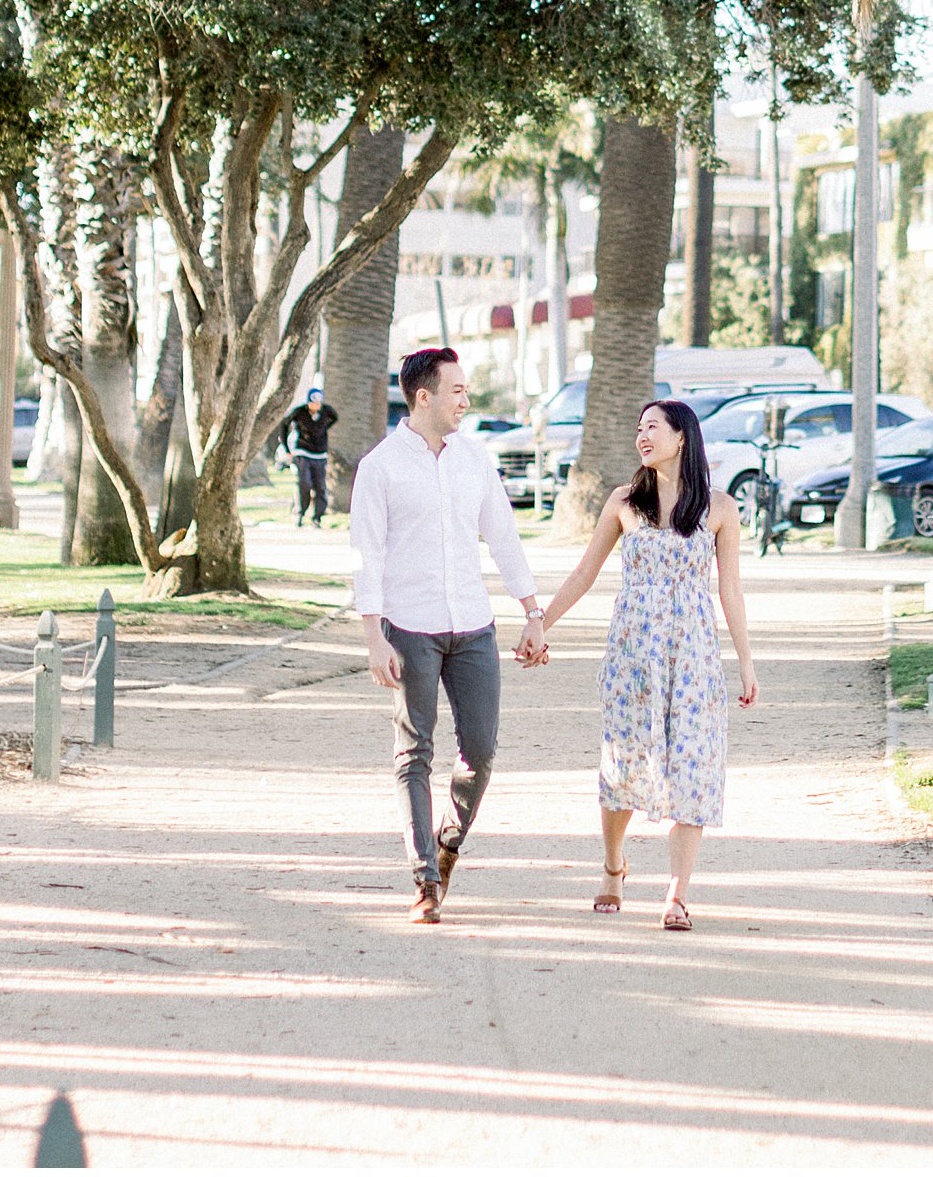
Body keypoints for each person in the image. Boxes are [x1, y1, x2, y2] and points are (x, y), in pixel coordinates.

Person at [537, 398, 758, 931]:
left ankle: (678, 895)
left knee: (693, 766)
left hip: (694, 657)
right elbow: (585, 572)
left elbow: (729, 589)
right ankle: (614, 865)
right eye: (639, 428)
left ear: (682, 436)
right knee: (625, 764)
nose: (643, 436)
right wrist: (539, 625)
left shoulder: (721, 509)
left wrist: (746, 664)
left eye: (653, 427)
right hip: (634, 656)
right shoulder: (623, 502)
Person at [350, 346, 546, 924]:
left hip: (474, 628)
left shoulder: (474, 460)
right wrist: (373, 637)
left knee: (480, 752)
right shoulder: (379, 468)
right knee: (414, 752)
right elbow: (367, 557)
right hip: (409, 628)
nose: (466, 400)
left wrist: (532, 610)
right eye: (456, 390)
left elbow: (503, 537)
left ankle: (448, 841)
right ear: (423, 396)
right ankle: (424, 881)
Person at [280, 385, 338, 526]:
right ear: (308, 402)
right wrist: (287, 448)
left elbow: (334, 419)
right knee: (304, 484)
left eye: (318, 403)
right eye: (312, 403)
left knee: (320, 487)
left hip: (320, 455)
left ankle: (317, 517)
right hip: (303, 453)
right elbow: (284, 425)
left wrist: (323, 430)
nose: (315, 406)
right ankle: (300, 513)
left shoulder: (327, 411)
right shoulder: (299, 412)